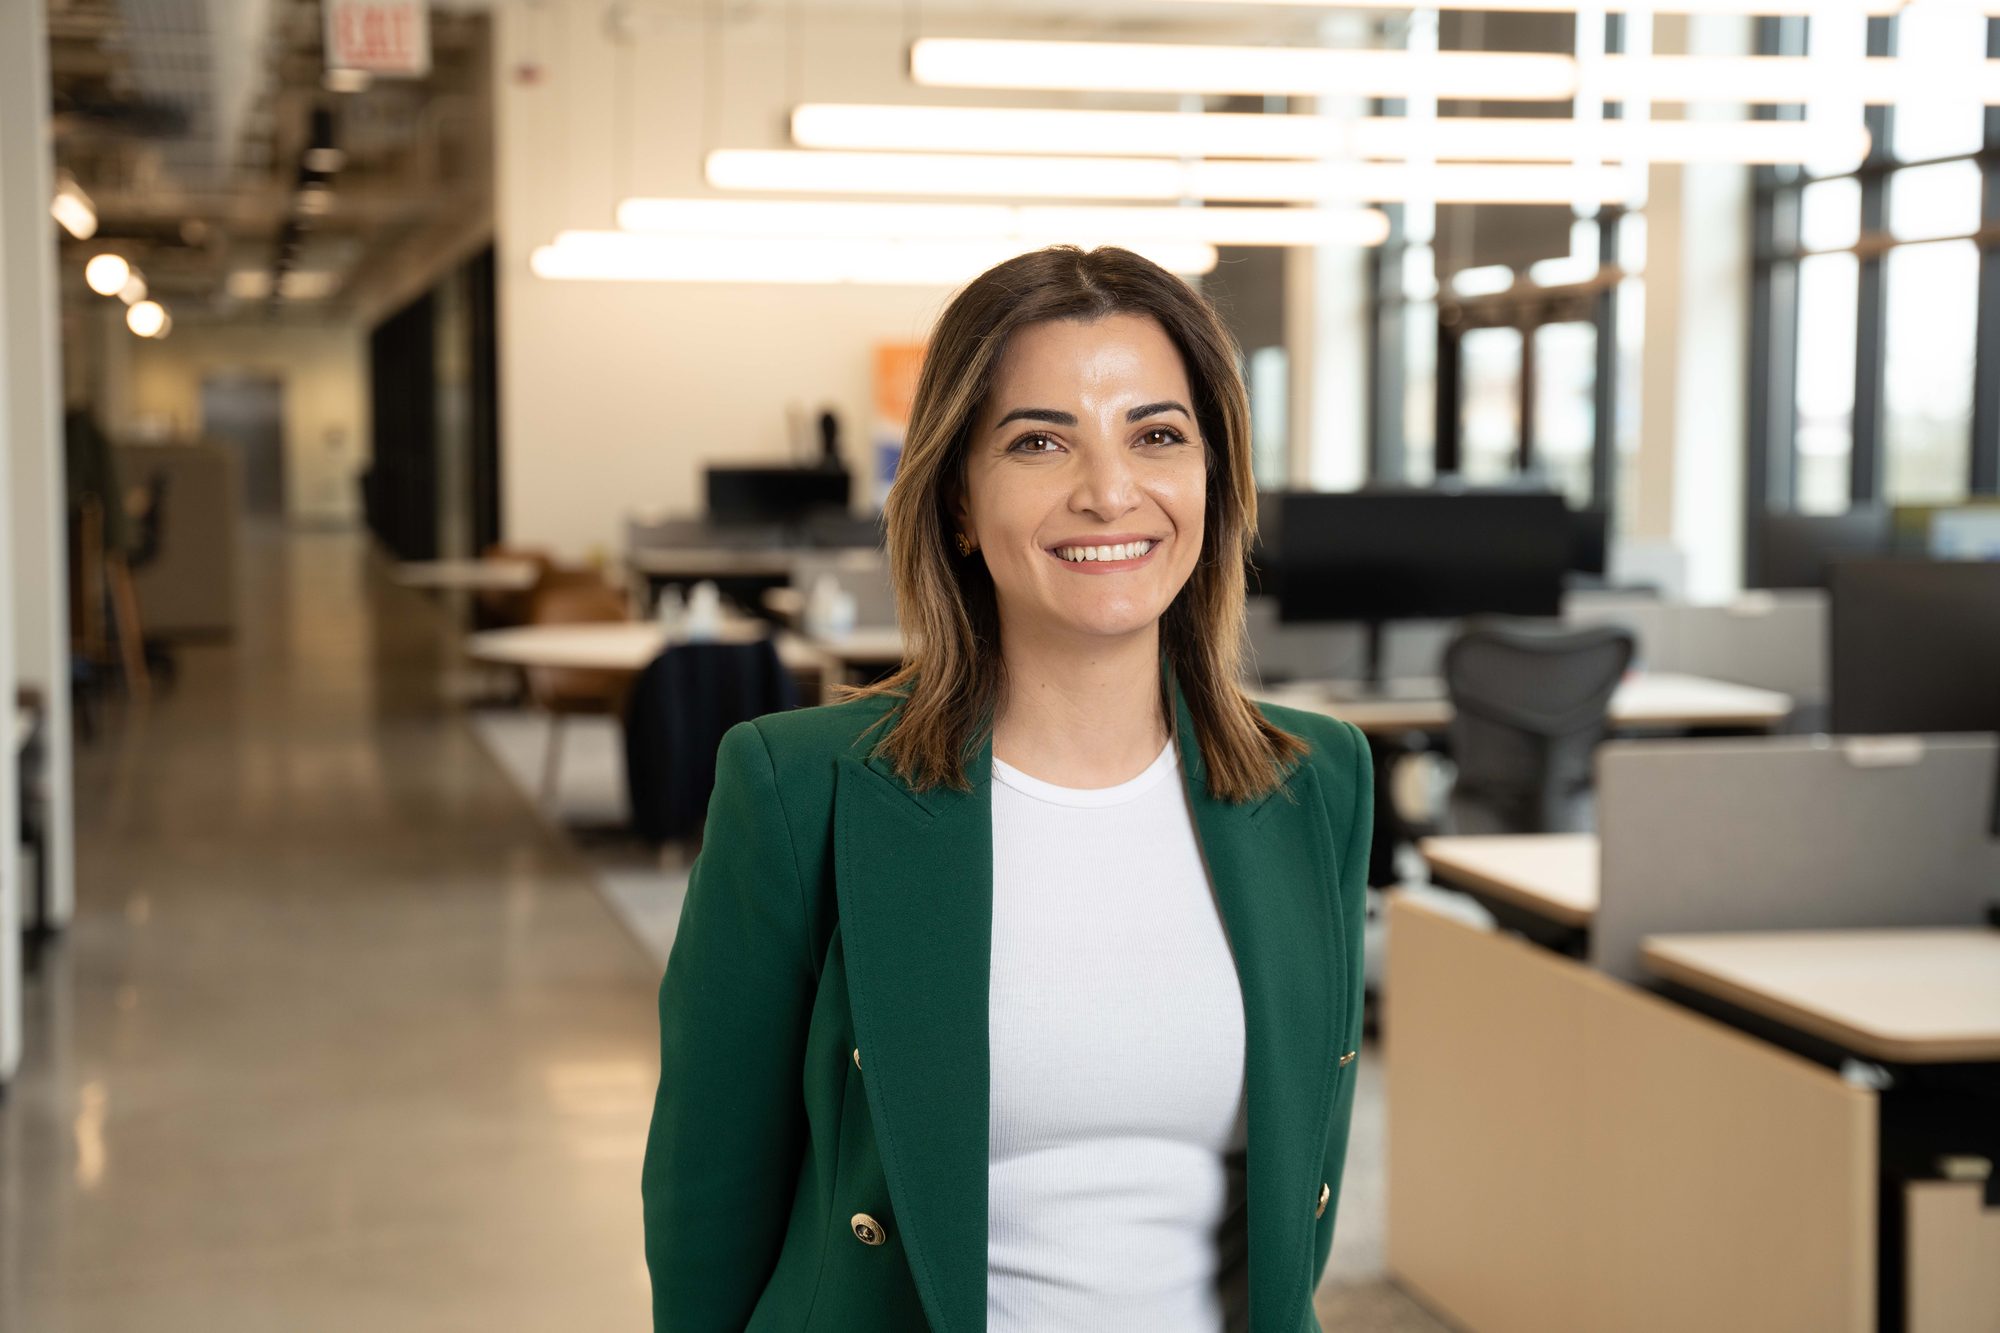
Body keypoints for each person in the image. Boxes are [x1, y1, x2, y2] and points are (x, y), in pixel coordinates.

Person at [641, 245, 1373, 1333]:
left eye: (1157, 435)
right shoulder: (800, 789)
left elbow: (1292, 1209)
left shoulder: (1313, 782)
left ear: (1212, 480)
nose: (1109, 491)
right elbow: (707, 1205)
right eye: (1039, 441)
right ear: (953, 503)